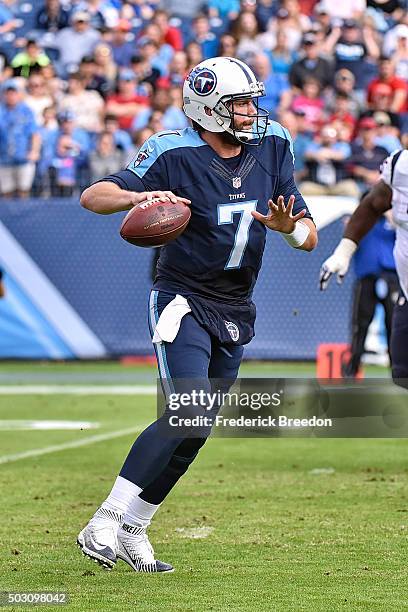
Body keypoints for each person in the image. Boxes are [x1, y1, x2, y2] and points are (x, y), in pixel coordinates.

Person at [78, 56, 317, 573]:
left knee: (199, 426)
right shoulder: (171, 150)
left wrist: (286, 228)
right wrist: (140, 195)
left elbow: (307, 235)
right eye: (239, 104)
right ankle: (104, 518)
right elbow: (92, 196)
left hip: (235, 304)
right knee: (187, 408)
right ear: (209, 107)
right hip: (183, 297)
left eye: (253, 102)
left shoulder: (273, 142)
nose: (251, 112)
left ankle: (134, 526)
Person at [320, 148, 408, 389]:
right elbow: (372, 204)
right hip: (405, 293)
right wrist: (344, 251)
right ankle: (351, 369)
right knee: (402, 373)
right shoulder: (401, 165)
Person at [0, 79, 41, 197]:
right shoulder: (1, 111)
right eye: (8, 93)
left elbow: (34, 134)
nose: (11, 96)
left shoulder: (27, 111)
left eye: (13, 92)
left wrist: (34, 151)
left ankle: (24, 215)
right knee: (6, 192)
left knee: (24, 190)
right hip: (3, 159)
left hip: (23, 158)